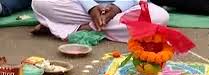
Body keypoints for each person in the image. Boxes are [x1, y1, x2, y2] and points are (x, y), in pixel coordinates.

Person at [31, 0, 169, 43]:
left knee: (159, 17)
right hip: (82, 7)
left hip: (125, 8)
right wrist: (90, 7)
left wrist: (117, 8)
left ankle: (86, 28)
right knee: (40, 2)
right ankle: (99, 23)